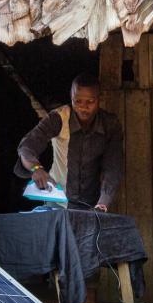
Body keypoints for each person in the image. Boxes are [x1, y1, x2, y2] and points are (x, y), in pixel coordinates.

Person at [15, 72, 123, 212]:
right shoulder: (58, 118)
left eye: (90, 102)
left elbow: (113, 168)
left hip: (91, 205)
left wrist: (103, 203)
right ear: (71, 97)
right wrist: (36, 168)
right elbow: (27, 146)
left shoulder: (110, 124)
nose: (83, 107)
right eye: (77, 101)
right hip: (57, 201)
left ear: (99, 99)